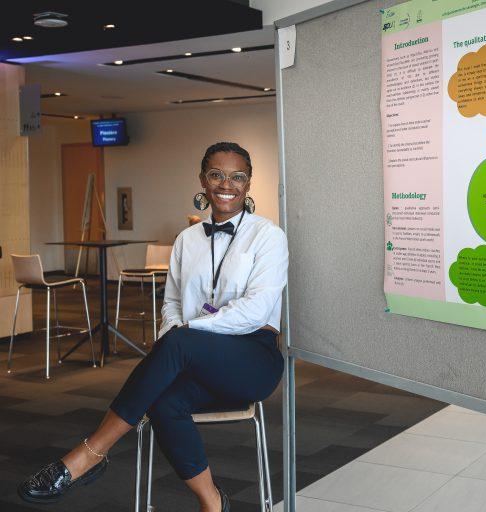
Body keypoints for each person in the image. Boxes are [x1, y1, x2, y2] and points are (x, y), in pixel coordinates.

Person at [18, 142, 288, 512]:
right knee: (162, 400)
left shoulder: (268, 236)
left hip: (252, 358)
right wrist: (183, 333)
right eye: (217, 174)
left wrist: (189, 332)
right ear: (202, 182)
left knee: (179, 343)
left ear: (248, 183)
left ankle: (91, 452)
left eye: (238, 176)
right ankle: (213, 501)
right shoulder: (186, 240)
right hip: (195, 358)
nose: (227, 184)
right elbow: (172, 306)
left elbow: (256, 311)